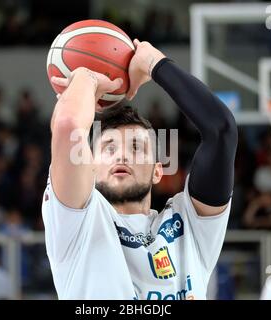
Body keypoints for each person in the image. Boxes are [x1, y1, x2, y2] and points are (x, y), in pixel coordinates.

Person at [42, 39, 238, 299]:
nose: (122, 154)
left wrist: (153, 62)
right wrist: (86, 78)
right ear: (88, 167)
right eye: (109, 148)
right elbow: (68, 126)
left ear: (158, 170)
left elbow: (221, 131)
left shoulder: (190, 225)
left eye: (136, 148)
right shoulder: (77, 223)